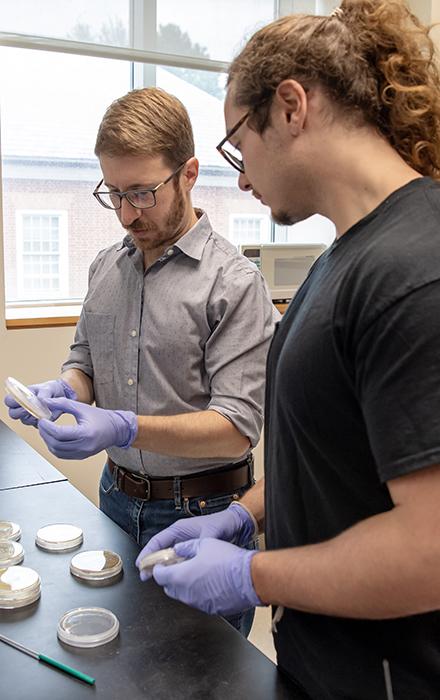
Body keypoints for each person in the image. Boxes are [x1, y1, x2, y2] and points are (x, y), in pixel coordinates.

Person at [134, 2, 440, 698]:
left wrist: (250, 573)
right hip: (319, 659)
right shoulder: (344, 261)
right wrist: (244, 516)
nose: (240, 178)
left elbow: (430, 550)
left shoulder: (412, 270)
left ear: (293, 106)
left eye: (239, 146)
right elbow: (330, 457)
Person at [4, 87, 279, 637]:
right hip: (115, 499)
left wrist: (126, 426)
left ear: (190, 173)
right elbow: (83, 359)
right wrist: (64, 393)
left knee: (204, 677)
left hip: (202, 512)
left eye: (143, 193)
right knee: (122, 663)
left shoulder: (234, 283)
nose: (128, 214)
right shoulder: (107, 267)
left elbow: (235, 429)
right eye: (114, 194)